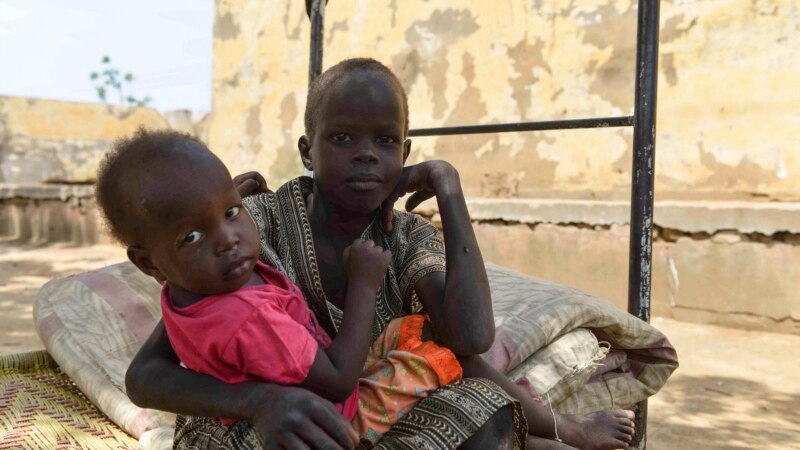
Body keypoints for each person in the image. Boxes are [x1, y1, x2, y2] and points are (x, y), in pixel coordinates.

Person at [123, 57, 634, 449]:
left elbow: (471, 339)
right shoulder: (260, 226)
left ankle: (549, 431)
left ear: (405, 154)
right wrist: (259, 401)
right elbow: (146, 375)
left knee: (485, 407)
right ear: (308, 151)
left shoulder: (405, 236)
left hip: (362, 417)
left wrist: (448, 187)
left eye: (386, 140)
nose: (366, 153)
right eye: (342, 137)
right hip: (261, 427)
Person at [95, 128, 467, 445]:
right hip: (332, 416)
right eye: (192, 235)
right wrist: (363, 285)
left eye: (230, 211)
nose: (228, 239)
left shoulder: (191, 287)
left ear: (405, 152)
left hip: (325, 381)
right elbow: (338, 382)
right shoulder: (246, 303)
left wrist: (218, 211)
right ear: (308, 149)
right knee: (438, 363)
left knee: (419, 334)